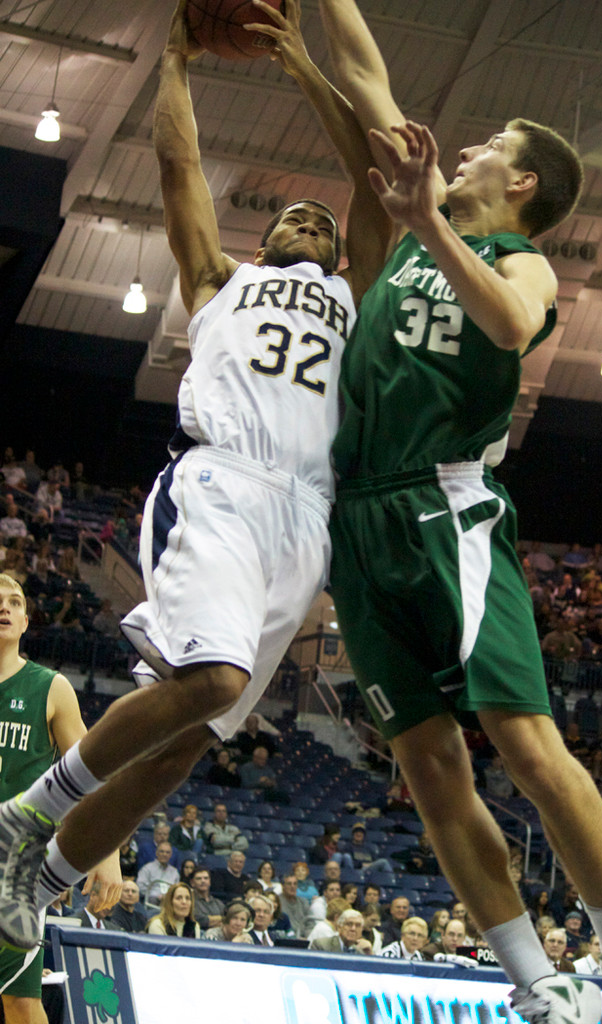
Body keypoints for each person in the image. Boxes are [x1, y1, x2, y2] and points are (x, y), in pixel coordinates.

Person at [0, 0, 389, 959]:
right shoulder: (222, 278)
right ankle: (24, 814)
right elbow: (179, 166)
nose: (307, 218)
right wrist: (174, 59)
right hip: (220, 481)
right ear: (265, 245)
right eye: (290, 215)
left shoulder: (357, 295)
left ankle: (37, 880)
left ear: (339, 251)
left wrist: (301, 64)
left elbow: (372, 178)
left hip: (304, 520)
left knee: (186, 739)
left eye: (320, 220)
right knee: (215, 677)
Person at [315, 1, 602, 1021]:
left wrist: (426, 221)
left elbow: (509, 326)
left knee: (525, 743)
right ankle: (536, 987)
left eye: (487, 149)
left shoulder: (522, 259)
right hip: (357, 519)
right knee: (425, 766)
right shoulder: (416, 218)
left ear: (521, 184)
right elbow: (365, 77)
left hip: (445, 508)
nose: (461, 150)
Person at [0, 574, 120, 1024]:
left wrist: (107, 853)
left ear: (26, 621)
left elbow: (90, 773)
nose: (5, 608)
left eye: (15, 602)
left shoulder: (49, 687)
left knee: (21, 1000)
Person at [136, 841, 179, 910]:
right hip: (152, 900)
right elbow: (140, 886)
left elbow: (176, 890)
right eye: (162, 851)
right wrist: (157, 896)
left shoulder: (175, 872)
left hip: (169, 901)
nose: (164, 854)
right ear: (156, 853)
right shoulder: (147, 869)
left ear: (171, 855)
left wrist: (167, 897)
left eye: (167, 852)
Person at [190, 867, 225, 931]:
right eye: (199, 878)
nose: (203, 881)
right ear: (192, 883)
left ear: (210, 882)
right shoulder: (189, 901)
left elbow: (228, 919)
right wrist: (221, 919)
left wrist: (211, 920)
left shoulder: (218, 902)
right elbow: (199, 920)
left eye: (206, 878)